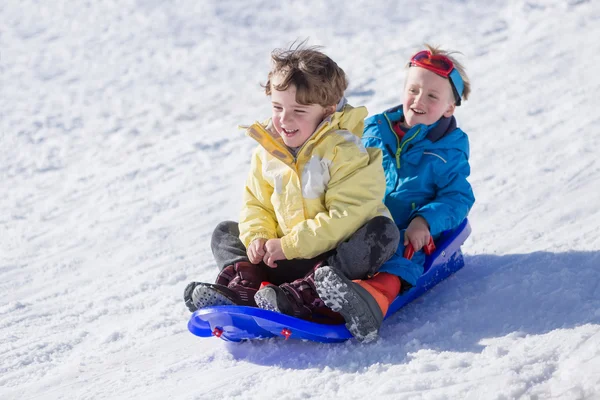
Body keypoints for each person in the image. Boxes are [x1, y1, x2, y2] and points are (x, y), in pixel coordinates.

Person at [183, 44, 400, 321]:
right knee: (225, 232)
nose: (285, 119)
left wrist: (291, 245)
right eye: (277, 107)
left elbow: (346, 215)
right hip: (279, 256)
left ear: (327, 110)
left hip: (328, 260)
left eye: (299, 110)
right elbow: (256, 203)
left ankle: (307, 295)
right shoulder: (268, 150)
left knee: (382, 232)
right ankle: (245, 289)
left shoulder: (344, 151)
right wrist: (258, 238)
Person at [313, 44, 476, 342]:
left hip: (408, 232)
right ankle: (306, 291)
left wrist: (424, 221)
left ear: (449, 108)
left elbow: (457, 197)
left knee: (399, 257)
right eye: (413, 90)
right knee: (327, 240)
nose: (418, 100)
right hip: (363, 219)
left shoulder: (449, 148)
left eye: (432, 96)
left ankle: (370, 301)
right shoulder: (374, 128)